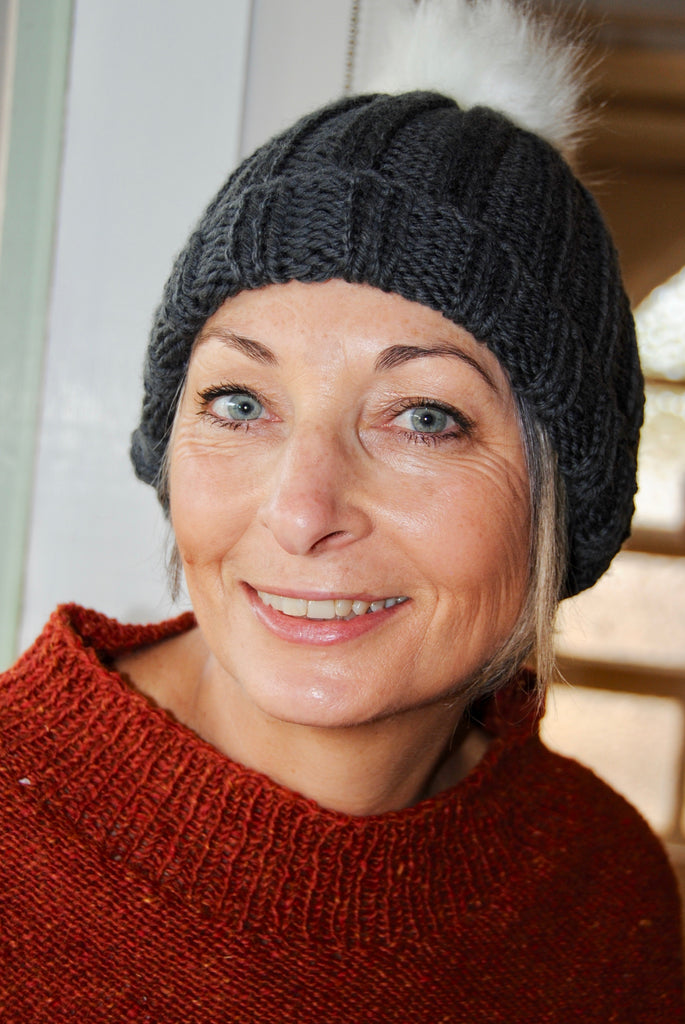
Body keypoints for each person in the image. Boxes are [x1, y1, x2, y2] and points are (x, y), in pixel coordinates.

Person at [1, 1, 682, 1020]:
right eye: (240, 403)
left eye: (424, 417)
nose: (301, 511)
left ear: (561, 494)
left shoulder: (604, 899)